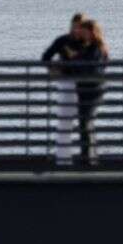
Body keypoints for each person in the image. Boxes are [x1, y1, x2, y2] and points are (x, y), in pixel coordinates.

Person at [41, 14, 86, 164]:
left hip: (85, 85)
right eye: (74, 26)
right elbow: (45, 58)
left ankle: (86, 159)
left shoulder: (89, 43)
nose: (76, 29)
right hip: (66, 84)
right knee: (64, 122)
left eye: (79, 27)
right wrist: (55, 72)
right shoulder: (62, 41)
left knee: (85, 124)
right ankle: (63, 160)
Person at [69, 19, 109, 165]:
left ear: (92, 32)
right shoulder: (91, 47)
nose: (82, 34)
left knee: (85, 122)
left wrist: (74, 61)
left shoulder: (95, 48)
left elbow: (90, 68)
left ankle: (87, 158)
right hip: (87, 89)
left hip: (91, 90)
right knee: (86, 122)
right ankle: (89, 156)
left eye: (84, 31)